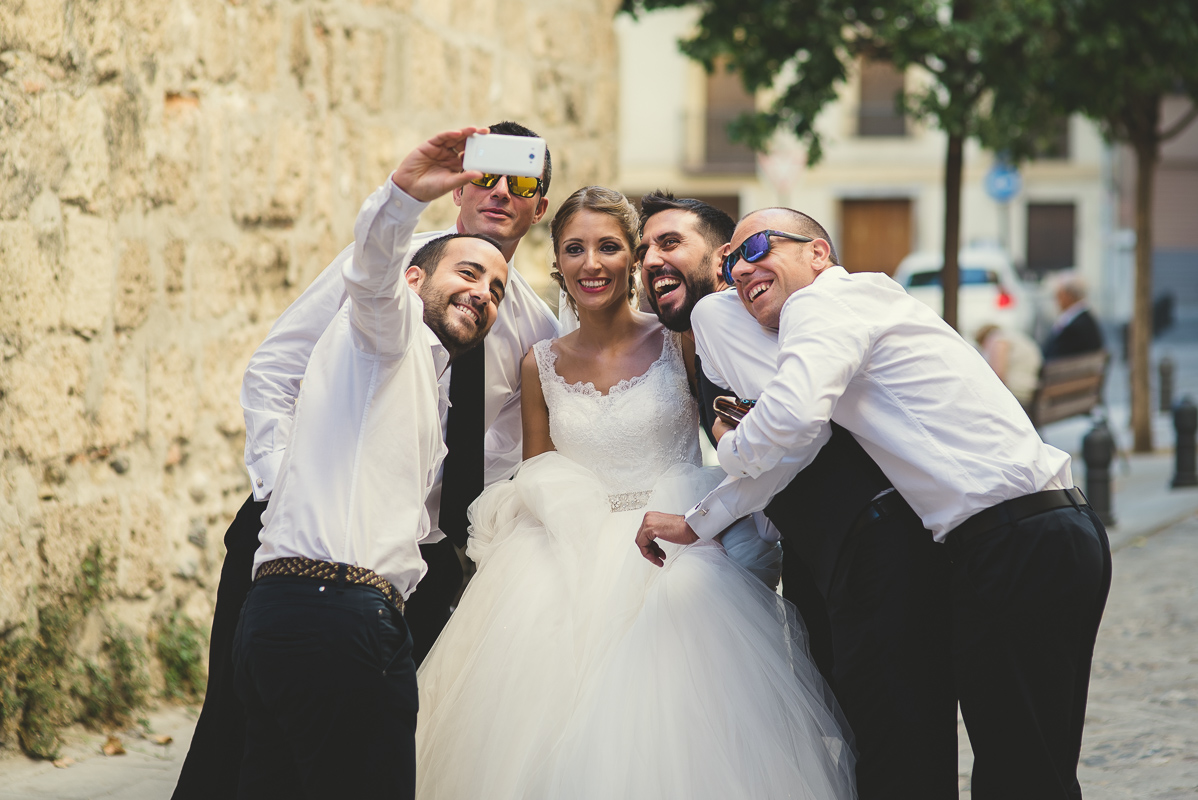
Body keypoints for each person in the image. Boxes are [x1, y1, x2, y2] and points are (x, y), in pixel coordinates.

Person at [640, 206, 1112, 800]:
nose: (740, 269)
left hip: (1009, 541)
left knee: (1019, 771)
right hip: (1057, 528)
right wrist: (703, 518)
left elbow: (791, 421)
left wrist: (733, 443)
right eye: (732, 261)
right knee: (1036, 767)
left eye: (758, 245)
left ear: (819, 254)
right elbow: (794, 446)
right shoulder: (871, 301)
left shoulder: (820, 304)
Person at [414, 188, 855, 800]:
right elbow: (537, 467)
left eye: (609, 247)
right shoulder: (537, 361)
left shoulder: (681, 339)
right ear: (558, 263)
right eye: (575, 249)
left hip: (675, 549)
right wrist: (575, 520)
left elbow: (735, 429)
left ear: (633, 260)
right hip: (560, 559)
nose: (591, 263)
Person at [173, 121, 558, 800]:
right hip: (299, 540)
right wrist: (284, 487)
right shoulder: (390, 286)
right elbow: (274, 371)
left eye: (521, 181)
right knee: (237, 746)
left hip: (417, 571)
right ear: (460, 186)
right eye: (485, 174)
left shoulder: (530, 326)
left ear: (539, 206)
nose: (499, 191)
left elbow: (515, 458)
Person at [636, 193, 956, 799]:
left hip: (873, 536)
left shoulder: (720, 315)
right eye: (644, 250)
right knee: (873, 737)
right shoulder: (721, 333)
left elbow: (795, 433)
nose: (651, 259)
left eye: (671, 243)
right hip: (832, 550)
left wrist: (714, 493)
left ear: (723, 257)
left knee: (896, 739)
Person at [976, 322, 1043, 412]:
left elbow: (998, 375)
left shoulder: (998, 339)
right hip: (1030, 390)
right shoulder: (1015, 337)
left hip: (1016, 393)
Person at [1042, 270, 1104, 359]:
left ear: (1069, 295)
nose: (1056, 299)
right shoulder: (1081, 318)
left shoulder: (1077, 325)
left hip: (1064, 371)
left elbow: (1054, 356)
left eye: (1059, 294)